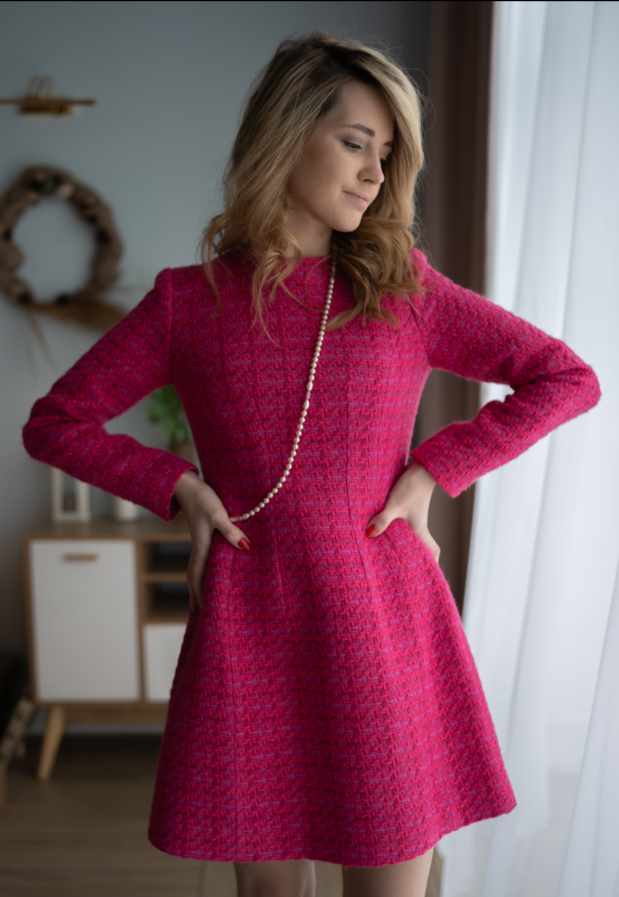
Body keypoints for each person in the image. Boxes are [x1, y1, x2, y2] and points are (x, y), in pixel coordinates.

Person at [21, 32, 601, 897]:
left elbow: (566, 377)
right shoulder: (188, 303)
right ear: (286, 136)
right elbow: (55, 422)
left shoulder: (402, 290)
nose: (374, 174)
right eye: (355, 143)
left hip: (381, 628)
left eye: (387, 154)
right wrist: (178, 488)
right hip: (252, 630)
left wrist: (431, 472)